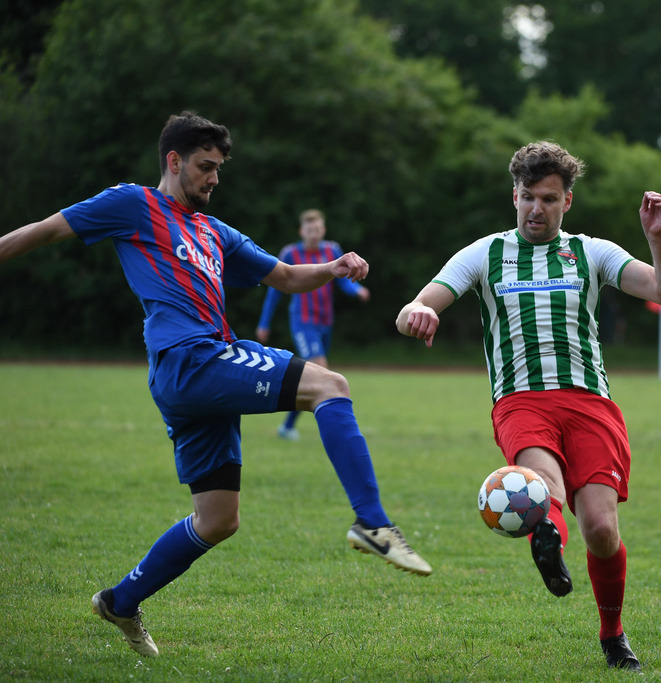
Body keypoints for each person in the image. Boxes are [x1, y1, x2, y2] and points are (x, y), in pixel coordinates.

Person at [0, 111, 431, 658]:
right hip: (191, 359)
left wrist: (334, 267)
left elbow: (285, 276)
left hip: (199, 371)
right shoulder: (133, 204)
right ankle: (374, 524)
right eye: (205, 167)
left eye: (219, 169)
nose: (214, 179)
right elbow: (45, 230)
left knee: (218, 519)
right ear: (174, 161)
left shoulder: (214, 230)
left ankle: (120, 600)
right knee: (331, 385)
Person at [396, 141, 661, 671]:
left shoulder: (591, 252)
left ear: (566, 202)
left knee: (601, 527)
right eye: (528, 197)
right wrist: (417, 312)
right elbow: (418, 302)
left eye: (548, 199)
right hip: (520, 402)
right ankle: (547, 534)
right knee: (545, 485)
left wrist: (656, 239)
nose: (536, 209)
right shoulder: (484, 254)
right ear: (514, 196)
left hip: (590, 404)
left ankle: (612, 632)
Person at [256, 209, 370, 440]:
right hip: (303, 322)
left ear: (323, 230)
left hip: (325, 322)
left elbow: (344, 284)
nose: (314, 234)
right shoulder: (290, 253)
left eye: (318, 229)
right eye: (310, 230)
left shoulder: (333, 251)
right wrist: (264, 323)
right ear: (301, 231)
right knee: (321, 371)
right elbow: (274, 292)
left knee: (316, 376)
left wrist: (357, 290)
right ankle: (335, 428)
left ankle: (287, 427)